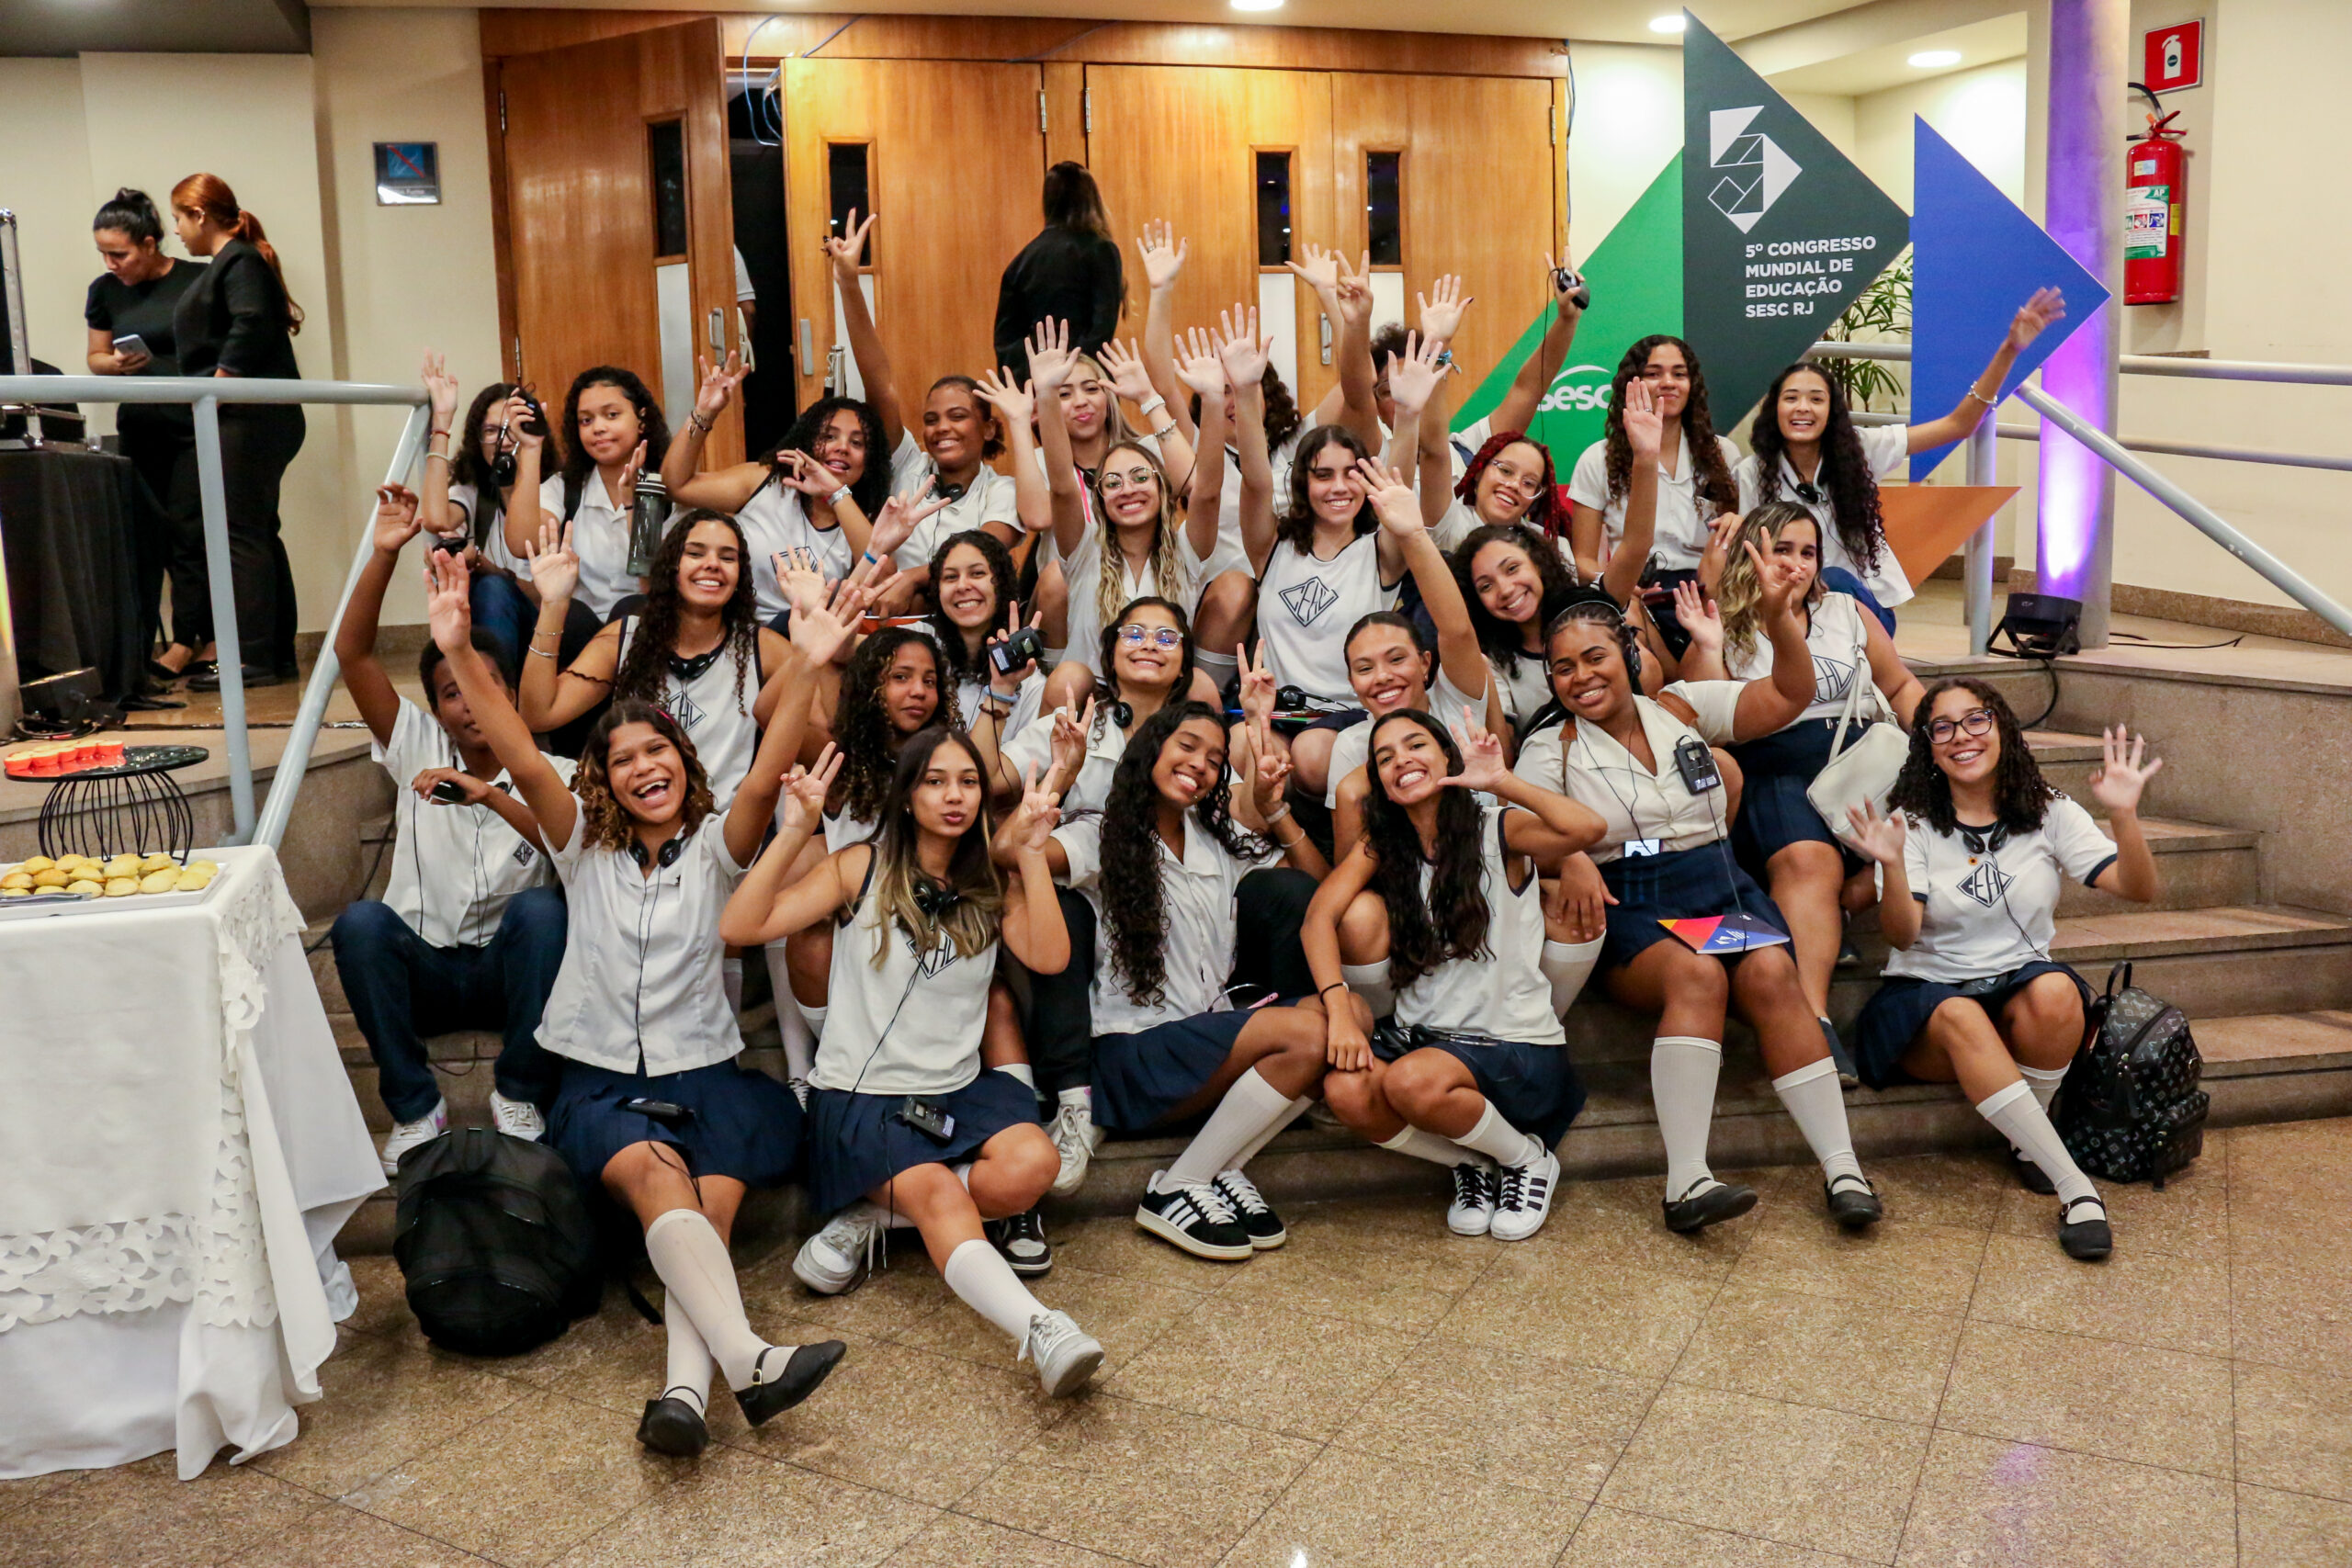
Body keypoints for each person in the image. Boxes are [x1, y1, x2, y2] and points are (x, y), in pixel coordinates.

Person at [419, 549, 860, 1458]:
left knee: (712, 1204)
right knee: (663, 1181)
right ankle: (752, 1360)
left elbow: (765, 775)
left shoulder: (720, 846)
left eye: (656, 749)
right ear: (604, 781)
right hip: (604, 1086)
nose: (642, 766)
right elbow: (515, 746)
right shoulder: (580, 844)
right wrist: (460, 650)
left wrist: (810, 660)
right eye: (621, 759)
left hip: (709, 1079)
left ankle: (685, 1396)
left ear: (682, 762)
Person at [722, 732, 1108, 1397]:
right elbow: (739, 926)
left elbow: (1049, 958)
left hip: (955, 1093)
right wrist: (794, 833)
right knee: (941, 1194)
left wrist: (1031, 852)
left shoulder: (988, 882)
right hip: (863, 1098)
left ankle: (876, 1213)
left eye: (968, 781)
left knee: (1036, 1165)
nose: (954, 795)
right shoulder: (859, 867)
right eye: (935, 780)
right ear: (906, 796)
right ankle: (1041, 1327)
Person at [1515, 581, 1884, 1235]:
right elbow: (1516, 836)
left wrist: (1779, 617)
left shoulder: (1681, 707)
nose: (1581, 677)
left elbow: (1789, 693)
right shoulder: (1552, 749)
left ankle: (1843, 1168)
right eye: (1563, 668)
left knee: (1773, 972)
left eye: (1595, 657)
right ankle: (1686, 1182)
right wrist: (1569, 855)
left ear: (1629, 654)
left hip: (1714, 882)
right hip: (1629, 898)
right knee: (1697, 973)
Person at [1848, 682, 2161, 1261]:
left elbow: (2139, 889)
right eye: (1942, 727)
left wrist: (2124, 816)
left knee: (2057, 992)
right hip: (1926, 1000)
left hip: (2016, 987)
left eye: (1976, 720)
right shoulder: (1911, 823)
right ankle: (2077, 1188)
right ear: (1928, 747)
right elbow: (1901, 936)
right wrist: (1892, 867)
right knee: (1962, 1014)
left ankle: (2026, 1141)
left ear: (2003, 728)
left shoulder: (2048, 810)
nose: (1961, 737)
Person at [1033, 700, 1330, 1258]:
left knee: (1347, 1016)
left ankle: (1217, 1167)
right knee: (1313, 1033)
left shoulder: (1215, 836)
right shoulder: (1102, 834)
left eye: (1216, 759)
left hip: (1204, 1040)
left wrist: (1275, 810)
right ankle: (1177, 1185)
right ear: (1152, 750)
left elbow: (1320, 896)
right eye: (1187, 747)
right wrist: (1060, 776)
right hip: (1133, 1055)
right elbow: (1011, 852)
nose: (1201, 763)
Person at [331, 483, 569, 1171]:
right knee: (359, 924)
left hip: (508, 975)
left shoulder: (553, 772)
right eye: (452, 693)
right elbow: (353, 655)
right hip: (426, 970)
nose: (469, 704)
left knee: (544, 911)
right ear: (435, 709)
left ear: (511, 693)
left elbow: (567, 845)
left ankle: (518, 1093)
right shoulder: (416, 745)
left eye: (484, 687)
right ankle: (414, 1109)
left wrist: (488, 797)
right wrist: (383, 553)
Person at [1305, 709, 1604, 1241]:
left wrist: (1502, 780)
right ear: (1380, 783)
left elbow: (1588, 828)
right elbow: (1317, 920)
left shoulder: (1498, 827)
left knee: (1411, 1081)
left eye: (1415, 745)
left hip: (1512, 1045)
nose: (1402, 761)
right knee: (1345, 1090)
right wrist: (1339, 1012)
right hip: (1428, 1042)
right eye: (1385, 758)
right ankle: (1471, 1160)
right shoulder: (1384, 845)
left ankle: (1528, 1159)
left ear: (1447, 757)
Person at [1677, 504, 1925, 1082]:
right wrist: (1708, 645)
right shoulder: (1724, 623)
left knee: (1933, 831)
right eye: (1780, 549)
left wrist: (1936, 736)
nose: (1794, 563)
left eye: (1807, 552)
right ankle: (1812, 1022)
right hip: (1775, 766)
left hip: (1865, 763)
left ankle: (1838, 908)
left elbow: (1899, 684)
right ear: (1751, 554)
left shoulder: (1846, 611)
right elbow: (1705, 718)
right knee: (1810, 863)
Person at [996, 594, 1204, 1190]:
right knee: (1057, 909)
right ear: (1110, 653)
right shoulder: (1068, 723)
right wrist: (1008, 704)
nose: (1149, 645)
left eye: (1166, 637)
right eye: (1134, 633)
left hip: (1171, 890)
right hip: (1078, 876)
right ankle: (1073, 1101)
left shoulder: (1195, 737)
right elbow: (995, 797)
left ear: (1185, 661)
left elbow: (1231, 813)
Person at [1736, 289, 2064, 629]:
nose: (1803, 408)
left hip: (1861, 610)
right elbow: (1748, 559)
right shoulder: (1752, 473)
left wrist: (2009, 349)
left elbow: (1959, 425)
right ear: (1775, 409)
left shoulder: (1860, 448)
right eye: (1791, 398)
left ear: (1832, 411)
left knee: (1833, 579)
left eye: (1816, 399)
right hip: (1791, 609)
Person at [665, 214, 917, 620]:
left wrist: (836, 494)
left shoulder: (863, 515)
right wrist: (704, 414)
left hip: (814, 639)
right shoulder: (764, 482)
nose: (841, 448)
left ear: (869, 461)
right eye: (829, 436)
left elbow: (881, 577)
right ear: (806, 441)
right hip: (743, 631)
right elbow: (677, 484)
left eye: (857, 443)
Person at [515, 510, 792, 808]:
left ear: (740, 576)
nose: (712, 564)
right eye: (695, 553)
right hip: (634, 821)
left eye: (727, 558)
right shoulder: (625, 638)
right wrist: (554, 604)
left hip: (724, 828)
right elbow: (538, 714)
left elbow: (817, 746)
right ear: (671, 566)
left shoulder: (765, 648)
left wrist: (809, 653)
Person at [1458, 380, 1668, 736]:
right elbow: (1506, 751)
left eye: (1512, 568)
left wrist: (1646, 459)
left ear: (1540, 565)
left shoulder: (1584, 610)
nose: (1506, 589)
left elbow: (1636, 545)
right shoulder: (1492, 660)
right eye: (1486, 585)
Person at [1026, 317, 1224, 689]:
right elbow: (1063, 488)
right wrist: (1048, 396)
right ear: (1100, 500)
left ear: (1163, 489)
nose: (1128, 489)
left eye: (1141, 477)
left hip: (1166, 700)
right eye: (1113, 483)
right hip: (1092, 701)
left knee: (1202, 687)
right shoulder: (1083, 551)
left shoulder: (1186, 550)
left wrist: (1212, 401)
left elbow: (1207, 491)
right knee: (1067, 677)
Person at [168, 173, 305, 689]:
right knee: (256, 531)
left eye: (179, 219)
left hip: (247, 418)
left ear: (200, 215)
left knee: (241, 534)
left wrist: (217, 388)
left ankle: (253, 657)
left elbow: (249, 324)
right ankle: (273, 654)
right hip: (251, 417)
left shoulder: (239, 260)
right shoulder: (236, 262)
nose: (176, 231)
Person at [1312, 458, 1490, 854]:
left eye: (1396, 660)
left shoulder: (1457, 702)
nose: (1382, 677)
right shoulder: (1351, 746)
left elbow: (1457, 630)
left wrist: (1413, 536)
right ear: (1352, 685)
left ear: (1426, 664)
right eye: (1364, 668)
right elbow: (1350, 863)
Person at [85, 187, 208, 682]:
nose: (111, 264)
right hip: (139, 425)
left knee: (189, 532)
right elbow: (95, 357)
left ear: (151, 244)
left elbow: (218, 357)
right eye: (103, 254)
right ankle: (142, 645)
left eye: (120, 254)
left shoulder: (196, 281)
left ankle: (188, 640)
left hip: (192, 427)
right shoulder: (104, 290)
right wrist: (115, 364)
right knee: (145, 536)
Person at [1565, 335, 1740, 659]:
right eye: (1654, 373)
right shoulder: (1597, 459)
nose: (1668, 383)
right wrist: (1616, 583)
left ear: (1693, 385)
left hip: (1708, 591)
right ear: (1632, 384)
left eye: (1679, 374)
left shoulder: (1724, 454)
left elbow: (1732, 539)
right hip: (1636, 595)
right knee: (1634, 643)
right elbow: (1582, 562)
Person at [415, 359, 574, 669]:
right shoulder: (475, 492)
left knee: (492, 587)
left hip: (549, 626)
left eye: (514, 430)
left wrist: (492, 571)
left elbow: (547, 597)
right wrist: (442, 423)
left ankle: (495, 689)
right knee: (469, 590)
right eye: (491, 431)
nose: (504, 441)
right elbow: (436, 519)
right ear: (477, 441)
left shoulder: (555, 488)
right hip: (493, 621)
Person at [516, 366, 671, 623]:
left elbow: (656, 583)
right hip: (583, 628)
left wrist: (634, 504)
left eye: (612, 415)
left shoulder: (668, 486)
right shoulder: (565, 487)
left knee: (632, 607)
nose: (598, 428)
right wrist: (531, 448)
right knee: (570, 613)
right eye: (586, 420)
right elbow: (522, 544)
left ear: (641, 420)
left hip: (647, 627)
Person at [995, 161, 1125, 374]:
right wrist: (1075, 370)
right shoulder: (1101, 250)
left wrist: (1031, 375)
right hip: (1084, 377)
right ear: (1091, 199)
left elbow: (1006, 341)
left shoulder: (1021, 262)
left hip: (1036, 376)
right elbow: (1102, 328)